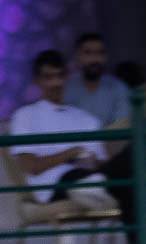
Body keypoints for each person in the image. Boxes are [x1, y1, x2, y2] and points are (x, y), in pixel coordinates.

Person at [7, 50, 115, 212]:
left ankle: (97, 190)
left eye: (60, 76)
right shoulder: (24, 116)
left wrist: (92, 160)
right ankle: (96, 190)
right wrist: (71, 153)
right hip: (54, 186)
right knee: (91, 179)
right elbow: (31, 166)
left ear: (66, 77)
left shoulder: (87, 119)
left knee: (128, 158)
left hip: (89, 175)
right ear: (37, 80)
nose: (56, 83)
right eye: (48, 77)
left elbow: (101, 162)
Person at [64, 32, 132, 127]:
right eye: (88, 53)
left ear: (106, 57)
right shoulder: (65, 87)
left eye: (100, 53)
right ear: (77, 56)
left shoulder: (118, 88)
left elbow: (121, 125)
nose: (95, 59)